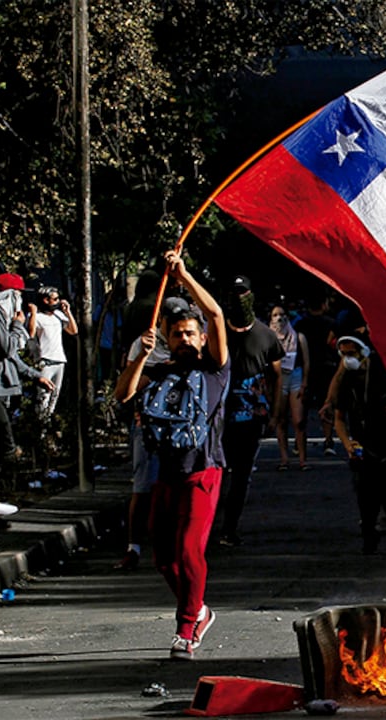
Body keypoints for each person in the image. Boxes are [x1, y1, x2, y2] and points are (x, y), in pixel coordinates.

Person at [113, 250, 228, 661]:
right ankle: (199, 609)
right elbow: (123, 395)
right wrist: (140, 357)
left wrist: (184, 275)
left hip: (203, 472)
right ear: (166, 337)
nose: (183, 339)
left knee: (187, 550)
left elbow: (214, 314)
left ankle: (185, 631)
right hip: (166, 474)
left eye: (188, 333)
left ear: (199, 338)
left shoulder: (214, 368)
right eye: (175, 333)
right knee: (164, 558)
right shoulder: (158, 372)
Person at [113, 295, 187, 571]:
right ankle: (133, 546)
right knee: (143, 487)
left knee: (182, 487)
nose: (178, 331)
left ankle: (180, 544)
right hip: (148, 425)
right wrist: (151, 365)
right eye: (172, 323)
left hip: (182, 428)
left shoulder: (190, 341)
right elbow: (126, 388)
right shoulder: (144, 344)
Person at [214, 275, 283, 547]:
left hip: (252, 419)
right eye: (234, 293)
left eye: (243, 293)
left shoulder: (266, 336)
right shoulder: (217, 332)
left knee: (242, 475)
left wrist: (275, 412)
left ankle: (229, 528)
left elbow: (277, 374)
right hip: (217, 418)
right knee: (217, 473)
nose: (238, 298)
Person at [332, 335, 386, 554]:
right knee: (366, 498)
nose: (348, 359)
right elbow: (339, 417)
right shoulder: (347, 378)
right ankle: (369, 538)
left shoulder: (382, 370)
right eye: (343, 354)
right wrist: (347, 443)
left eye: (351, 353)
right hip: (363, 446)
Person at [0, 273, 54, 487]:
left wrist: (35, 375)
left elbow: (11, 358)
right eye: (18, 295)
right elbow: (9, 348)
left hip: (4, 388)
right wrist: (18, 325)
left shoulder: (5, 318)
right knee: (6, 442)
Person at [294, 292, 339, 457]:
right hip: (327, 367)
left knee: (302, 407)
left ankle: (300, 443)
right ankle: (328, 440)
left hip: (307, 369)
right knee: (326, 405)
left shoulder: (300, 324)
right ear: (324, 305)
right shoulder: (331, 323)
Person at [268, 303, 310, 471]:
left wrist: (305, 382)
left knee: (298, 420)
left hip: (295, 376)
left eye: (282, 314)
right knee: (281, 420)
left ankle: (302, 458)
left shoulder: (298, 337)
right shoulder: (270, 339)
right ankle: (284, 458)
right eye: (275, 315)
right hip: (278, 380)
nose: (280, 318)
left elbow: (307, 361)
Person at [25, 285, 78, 417]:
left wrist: (68, 312)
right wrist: (32, 314)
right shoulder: (37, 316)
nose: (57, 302)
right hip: (44, 361)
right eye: (54, 299)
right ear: (45, 300)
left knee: (55, 396)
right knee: (43, 397)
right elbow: (31, 333)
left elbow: (73, 330)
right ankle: (40, 425)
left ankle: (48, 422)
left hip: (59, 360)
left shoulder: (59, 316)